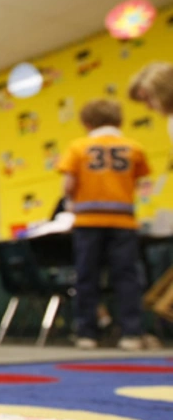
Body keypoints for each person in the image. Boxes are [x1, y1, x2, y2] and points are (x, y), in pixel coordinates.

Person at [56, 99, 150, 351]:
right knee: (127, 277)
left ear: (86, 123)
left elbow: (68, 184)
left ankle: (87, 333)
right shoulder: (134, 147)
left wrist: (71, 203)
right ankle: (131, 333)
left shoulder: (78, 147)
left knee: (87, 276)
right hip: (123, 221)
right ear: (120, 121)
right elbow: (138, 180)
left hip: (88, 221)